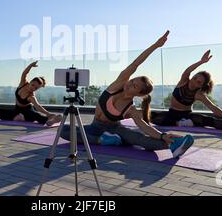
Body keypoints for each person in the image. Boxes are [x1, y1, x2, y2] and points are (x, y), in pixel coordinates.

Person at [61, 31, 194, 158]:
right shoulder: (117, 84)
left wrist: (162, 136)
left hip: (115, 129)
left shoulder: (131, 109)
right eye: (132, 81)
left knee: (141, 140)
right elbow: (135, 64)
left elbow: (144, 127)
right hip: (95, 127)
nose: (129, 84)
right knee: (63, 130)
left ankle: (176, 143)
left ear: (139, 93)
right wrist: (155, 46)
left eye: (134, 86)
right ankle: (103, 140)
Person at [150, 50, 222, 133]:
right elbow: (188, 70)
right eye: (195, 77)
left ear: (201, 85)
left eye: (199, 82)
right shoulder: (183, 81)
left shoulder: (198, 94)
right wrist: (201, 62)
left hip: (187, 115)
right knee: (152, 116)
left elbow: (214, 108)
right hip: (172, 114)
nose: (194, 81)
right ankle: (180, 123)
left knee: (206, 120)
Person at [0, 61, 62, 126]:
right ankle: (19, 118)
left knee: (34, 115)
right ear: (30, 82)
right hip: (17, 110)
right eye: (33, 85)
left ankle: (49, 120)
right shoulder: (23, 83)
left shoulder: (31, 96)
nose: (33, 88)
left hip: (27, 111)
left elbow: (38, 106)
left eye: (36, 88)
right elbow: (25, 73)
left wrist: (48, 114)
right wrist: (30, 65)